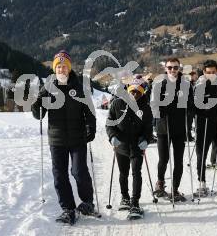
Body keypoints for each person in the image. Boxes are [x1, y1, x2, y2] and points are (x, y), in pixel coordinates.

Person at [31, 50, 96, 225]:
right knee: (59, 175)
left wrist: (91, 128)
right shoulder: (48, 88)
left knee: (78, 171)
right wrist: (37, 102)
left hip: (77, 138)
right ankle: (68, 209)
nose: (61, 69)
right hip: (57, 139)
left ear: (69, 68)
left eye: (64, 66)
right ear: (54, 69)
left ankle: (88, 202)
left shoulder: (79, 86)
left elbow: (89, 111)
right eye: (58, 66)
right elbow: (39, 114)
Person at [106, 76, 153, 217]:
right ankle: (125, 197)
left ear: (142, 92)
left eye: (138, 92)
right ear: (127, 90)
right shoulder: (117, 104)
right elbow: (110, 124)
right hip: (121, 145)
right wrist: (112, 136)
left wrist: (146, 139)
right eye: (132, 91)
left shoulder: (146, 108)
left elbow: (148, 128)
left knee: (136, 173)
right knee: (123, 173)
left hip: (137, 146)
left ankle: (135, 203)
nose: (134, 94)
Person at [152, 57, 194, 201]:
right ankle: (160, 183)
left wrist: (189, 111)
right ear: (165, 68)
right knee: (164, 159)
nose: (172, 70)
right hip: (163, 128)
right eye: (169, 67)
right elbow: (153, 104)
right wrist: (159, 110)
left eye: (175, 67)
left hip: (179, 128)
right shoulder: (159, 84)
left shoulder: (186, 85)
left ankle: (175, 190)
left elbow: (191, 103)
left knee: (178, 161)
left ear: (179, 68)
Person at [194, 60, 217, 198]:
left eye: (213, 72)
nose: (211, 75)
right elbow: (194, 107)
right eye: (208, 73)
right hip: (204, 126)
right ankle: (202, 183)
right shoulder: (199, 87)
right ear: (204, 72)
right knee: (201, 155)